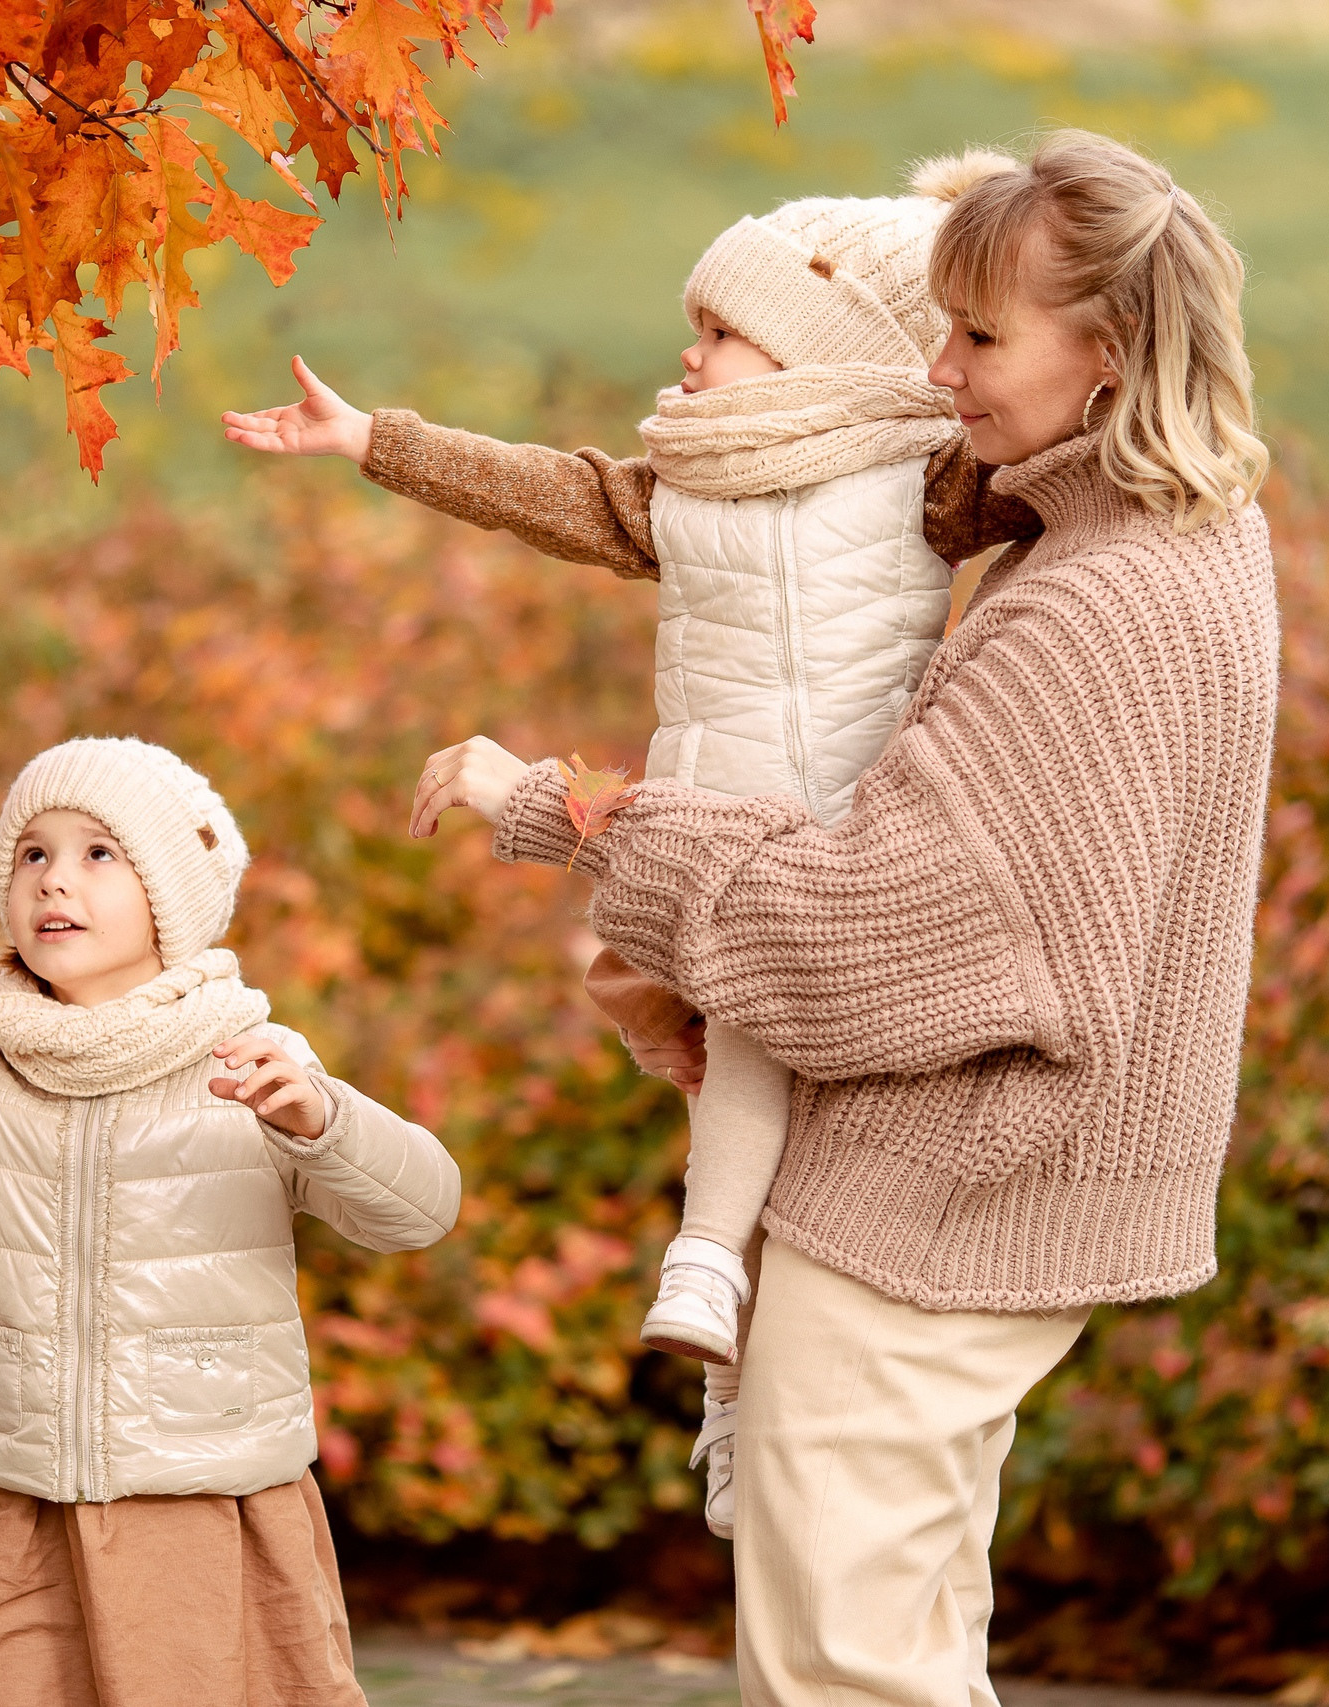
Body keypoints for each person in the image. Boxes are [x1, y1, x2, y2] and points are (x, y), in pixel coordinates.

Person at [406, 130, 1279, 1707]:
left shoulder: (1091, 608)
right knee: (905, 1655)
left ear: (1113, 346)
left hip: (927, 1215)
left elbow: (856, 931)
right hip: (985, 1203)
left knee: (839, 1675)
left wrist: (566, 808)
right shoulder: (1178, 535)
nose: (938, 372)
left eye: (980, 336)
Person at [221, 155, 1039, 1537]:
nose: (691, 354)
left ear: (823, 349)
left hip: (833, 833)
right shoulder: (688, 489)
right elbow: (548, 490)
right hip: (700, 815)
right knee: (722, 1069)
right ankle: (727, 1379)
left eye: (722, 331)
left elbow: (1055, 480)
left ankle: (709, 1270)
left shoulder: (922, 477)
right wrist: (374, 441)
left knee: (760, 1067)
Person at [0, 737, 461, 1707]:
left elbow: (422, 1209)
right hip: (26, 1507)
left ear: (171, 893)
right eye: (33, 853)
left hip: (202, 1498)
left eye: (99, 852)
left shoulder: (250, 1059)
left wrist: (326, 1122)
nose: (54, 878)